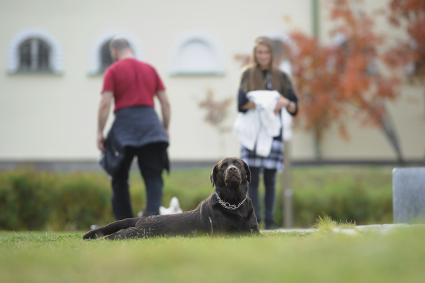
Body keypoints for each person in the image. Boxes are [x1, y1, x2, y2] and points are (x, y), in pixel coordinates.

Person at [97, 37, 171, 220]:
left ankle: (124, 223)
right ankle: (153, 221)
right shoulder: (150, 69)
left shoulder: (113, 70)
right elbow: (165, 103)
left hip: (124, 126)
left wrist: (100, 131)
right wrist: (164, 128)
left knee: (119, 177)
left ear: (114, 52)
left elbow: (105, 104)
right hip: (151, 126)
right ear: (130, 49)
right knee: (154, 177)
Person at [236, 36, 298, 229]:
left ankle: (270, 223)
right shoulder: (247, 75)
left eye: (266, 52)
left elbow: (295, 107)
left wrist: (284, 103)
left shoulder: (282, 77)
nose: (263, 56)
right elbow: (241, 105)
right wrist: (262, 103)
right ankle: (254, 222)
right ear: (255, 54)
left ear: (272, 54)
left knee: (270, 179)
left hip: (273, 134)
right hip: (252, 135)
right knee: (251, 179)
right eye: (259, 52)